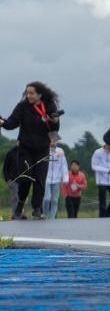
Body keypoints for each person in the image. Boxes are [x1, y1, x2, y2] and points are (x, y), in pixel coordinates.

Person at [2, 84, 61, 221]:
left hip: (42, 148)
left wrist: (55, 120)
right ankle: (21, 202)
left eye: (32, 93)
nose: (28, 95)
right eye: (27, 93)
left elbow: (55, 127)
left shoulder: (49, 105)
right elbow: (12, 123)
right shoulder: (22, 106)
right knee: (26, 178)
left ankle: (37, 209)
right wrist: (3, 122)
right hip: (25, 148)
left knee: (40, 179)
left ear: (40, 94)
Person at [42, 133, 66, 221]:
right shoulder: (44, 150)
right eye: (51, 140)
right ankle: (44, 214)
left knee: (55, 200)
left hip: (57, 179)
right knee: (47, 198)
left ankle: (52, 218)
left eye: (55, 141)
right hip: (46, 178)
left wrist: (65, 177)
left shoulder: (60, 151)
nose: (53, 142)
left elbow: (64, 165)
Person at [91, 143, 110, 218]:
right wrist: (105, 170)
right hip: (101, 180)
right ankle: (102, 217)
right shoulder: (98, 152)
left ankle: (107, 214)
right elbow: (94, 166)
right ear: (106, 144)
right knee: (102, 202)